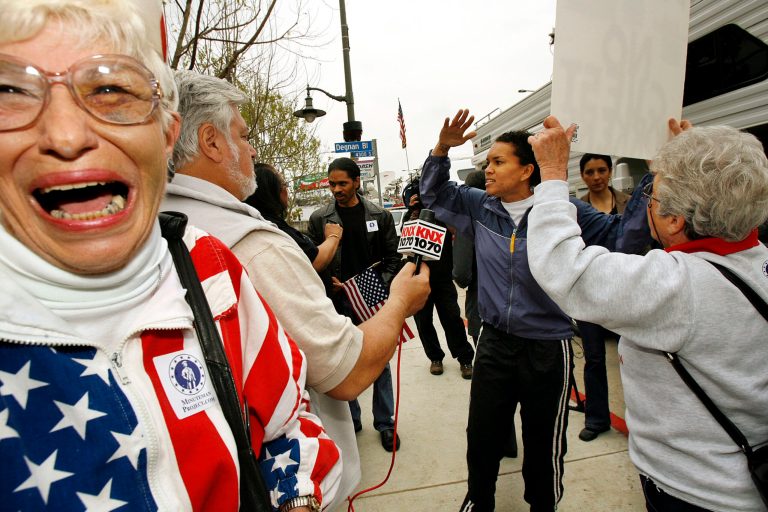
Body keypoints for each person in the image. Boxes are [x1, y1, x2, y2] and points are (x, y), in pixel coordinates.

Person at [0, 2, 342, 511]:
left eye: (110, 90)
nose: (68, 136)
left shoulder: (208, 265)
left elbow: (289, 424)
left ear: (165, 133)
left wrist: (300, 500)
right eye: (11, 92)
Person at [162, 71, 428, 498]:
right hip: (289, 488)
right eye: (244, 136)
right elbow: (345, 371)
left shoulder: (150, 222)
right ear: (211, 142)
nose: (252, 150)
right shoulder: (255, 245)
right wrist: (399, 302)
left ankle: (384, 421)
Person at [528, 116, 768, 512]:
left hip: (694, 494)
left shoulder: (676, 286)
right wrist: (694, 159)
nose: (648, 208)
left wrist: (553, 175)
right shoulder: (756, 263)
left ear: (674, 220)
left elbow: (562, 268)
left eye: (653, 200)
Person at [420, 109, 627, 512]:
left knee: (543, 442)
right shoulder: (480, 206)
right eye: (487, 163)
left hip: (548, 347)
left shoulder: (565, 212)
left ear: (528, 169)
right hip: (494, 342)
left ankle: (543, 505)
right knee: (481, 436)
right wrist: (442, 148)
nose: (488, 171)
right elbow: (435, 193)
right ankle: (479, 501)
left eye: (498, 162)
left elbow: (625, 235)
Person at [308, 158, 403, 452]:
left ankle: (385, 423)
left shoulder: (380, 215)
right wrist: (329, 282)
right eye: (332, 183)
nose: (336, 189)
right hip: (335, 302)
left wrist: (374, 285)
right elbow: (311, 261)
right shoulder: (319, 218)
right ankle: (353, 419)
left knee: (380, 361)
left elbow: (392, 260)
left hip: (372, 298)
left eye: (342, 183)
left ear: (357, 182)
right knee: (344, 362)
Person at [574, 153, 631, 442]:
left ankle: (641, 420)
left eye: (601, 170)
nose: (596, 177)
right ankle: (596, 419)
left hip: (624, 290)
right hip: (589, 291)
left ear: (610, 171)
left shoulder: (628, 203)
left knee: (631, 357)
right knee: (594, 358)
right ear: (582, 175)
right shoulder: (575, 209)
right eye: (590, 172)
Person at [401, 179, 475, 379]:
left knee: (452, 318)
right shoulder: (409, 215)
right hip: (417, 277)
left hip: (442, 277)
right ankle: (435, 358)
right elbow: (405, 238)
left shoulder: (443, 213)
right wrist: (413, 211)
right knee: (423, 322)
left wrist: (436, 208)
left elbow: (456, 231)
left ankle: (465, 358)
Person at [245, 162, 342, 272]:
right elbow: (315, 262)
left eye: (342, 184)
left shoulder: (261, 222)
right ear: (273, 192)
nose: (337, 190)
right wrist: (333, 236)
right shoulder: (273, 228)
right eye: (284, 184)